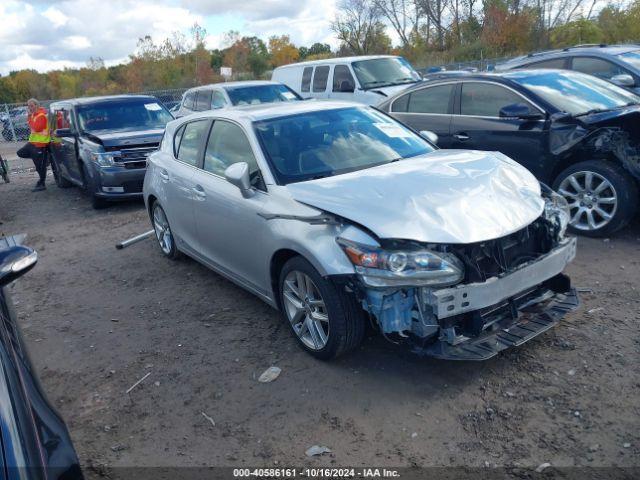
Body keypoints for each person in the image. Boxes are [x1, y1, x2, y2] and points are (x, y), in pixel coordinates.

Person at [17, 98, 50, 192]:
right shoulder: (33, 115)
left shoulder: (41, 115)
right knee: (20, 153)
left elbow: (36, 127)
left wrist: (31, 122)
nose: (30, 108)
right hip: (32, 143)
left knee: (39, 166)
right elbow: (31, 126)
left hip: (41, 144)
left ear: (36, 105)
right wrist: (29, 117)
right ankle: (44, 158)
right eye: (28, 106)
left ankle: (42, 183)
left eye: (31, 106)